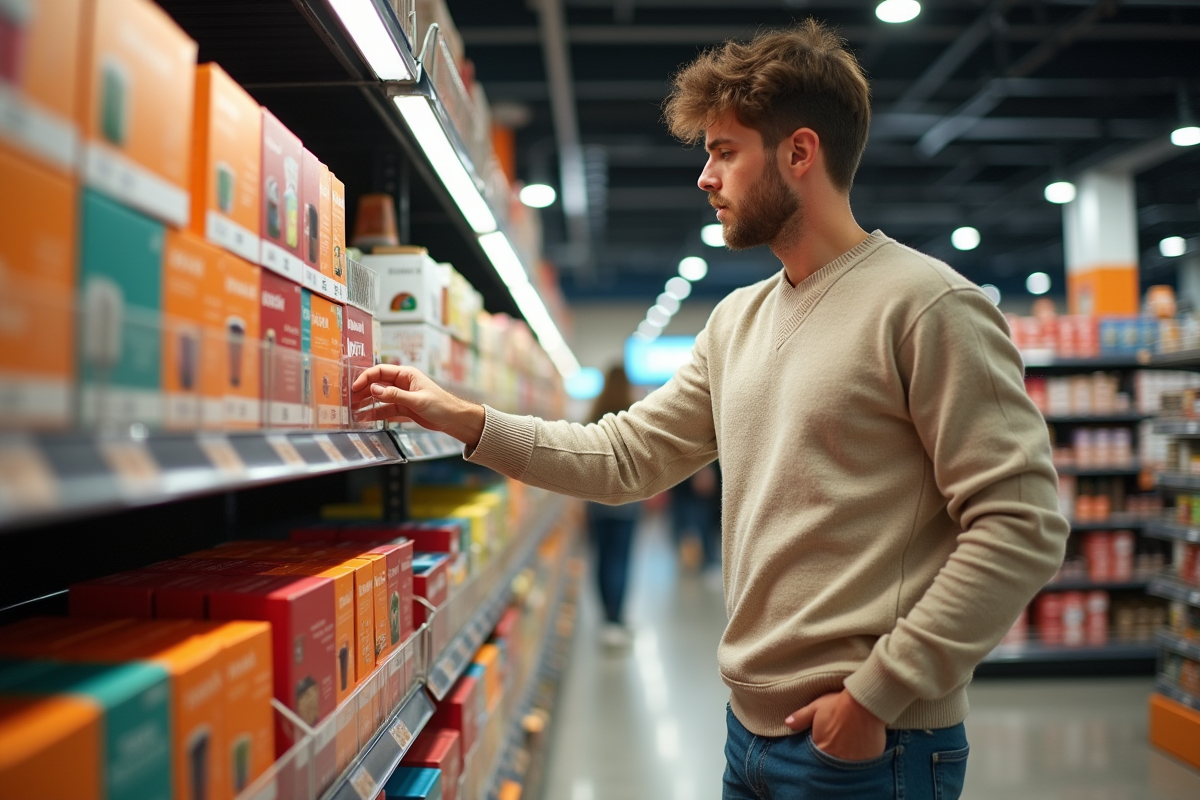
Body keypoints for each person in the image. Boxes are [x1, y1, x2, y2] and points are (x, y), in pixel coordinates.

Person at [352, 20, 1067, 800]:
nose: (704, 176)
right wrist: (468, 421)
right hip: (747, 738)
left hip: (871, 748)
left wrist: (877, 694)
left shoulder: (927, 306)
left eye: (725, 151)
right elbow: (626, 458)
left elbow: (1021, 522)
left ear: (799, 153)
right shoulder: (736, 322)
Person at [585, 365, 642, 648]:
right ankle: (616, 618)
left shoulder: (594, 418)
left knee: (602, 558)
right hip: (627, 502)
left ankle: (606, 619)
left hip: (597, 502)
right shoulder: (633, 415)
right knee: (621, 559)